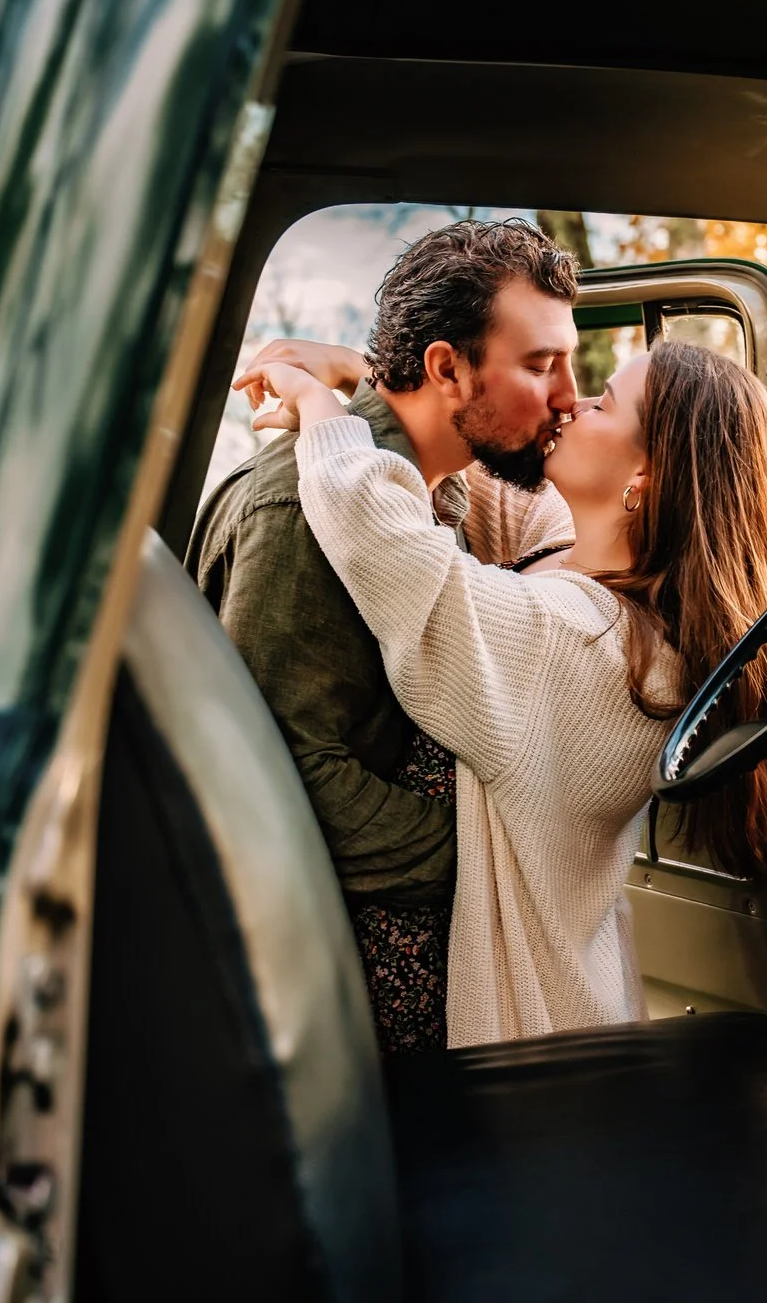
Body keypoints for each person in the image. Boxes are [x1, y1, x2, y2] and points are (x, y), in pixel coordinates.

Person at [245, 338, 767, 1049]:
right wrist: (379, 379)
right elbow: (480, 482)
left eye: (603, 404)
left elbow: (386, 543)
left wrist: (322, 409)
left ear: (643, 476)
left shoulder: (591, 650)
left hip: (511, 1026)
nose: (572, 404)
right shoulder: (578, 558)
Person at [186, 217, 580, 1050]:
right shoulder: (299, 510)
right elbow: (286, 777)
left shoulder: (444, 495)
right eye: (541, 365)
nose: (569, 397)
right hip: (312, 973)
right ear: (446, 368)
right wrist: (489, 865)